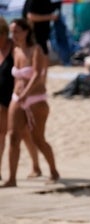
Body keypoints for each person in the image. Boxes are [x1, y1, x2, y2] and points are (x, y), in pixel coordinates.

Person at [2, 18, 59, 187]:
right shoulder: (15, 50)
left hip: (35, 99)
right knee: (13, 136)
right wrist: (17, 94)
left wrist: (26, 93)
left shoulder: (36, 50)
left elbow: (37, 74)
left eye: (16, 31)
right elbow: (15, 77)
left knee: (38, 138)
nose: (13, 35)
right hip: (17, 98)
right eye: (12, 31)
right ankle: (12, 178)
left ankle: (54, 171)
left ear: (26, 32)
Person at [0, 17, 41, 182]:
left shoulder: (15, 47)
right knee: (5, 134)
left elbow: (32, 68)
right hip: (3, 97)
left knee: (22, 134)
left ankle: (36, 165)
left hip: (15, 97)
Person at [22, 0, 60, 68]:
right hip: (34, 33)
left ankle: (42, 74)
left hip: (42, 33)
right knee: (39, 53)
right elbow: (30, 16)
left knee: (43, 52)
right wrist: (50, 17)